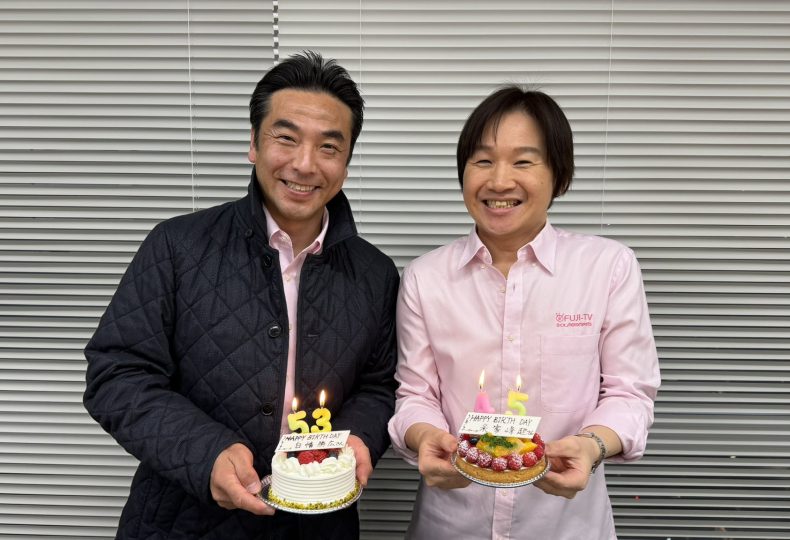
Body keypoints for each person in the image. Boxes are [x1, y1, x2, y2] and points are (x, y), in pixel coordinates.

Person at [83, 51, 399, 540]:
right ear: (253, 142)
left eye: (328, 147)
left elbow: (380, 386)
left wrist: (359, 437)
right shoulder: (176, 246)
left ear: (346, 161)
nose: (304, 164)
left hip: (318, 523)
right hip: (182, 521)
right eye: (286, 138)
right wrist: (206, 453)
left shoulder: (374, 273)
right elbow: (117, 375)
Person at [387, 85, 660, 539]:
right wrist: (425, 436)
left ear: (558, 174)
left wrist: (592, 445)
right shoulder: (425, 277)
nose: (499, 181)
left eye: (523, 161)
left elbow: (630, 392)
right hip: (451, 524)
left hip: (566, 526)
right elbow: (415, 393)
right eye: (483, 160)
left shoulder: (607, 267)